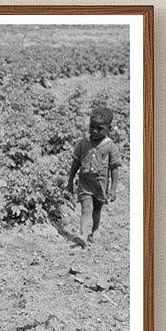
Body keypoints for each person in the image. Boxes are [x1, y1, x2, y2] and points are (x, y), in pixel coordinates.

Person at [66, 106, 122, 248]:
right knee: (86, 208)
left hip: (100, 184)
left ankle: (95, 230)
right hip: (85, 182)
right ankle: (83, 234)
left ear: (109, 128)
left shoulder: (110, 146)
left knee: (97, 209)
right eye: (92, 127)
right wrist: (70, 181)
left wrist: (113, 189)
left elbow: (114, 168)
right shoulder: (83, 143)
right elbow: (76, 162)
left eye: (100, 128)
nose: (95, 131)